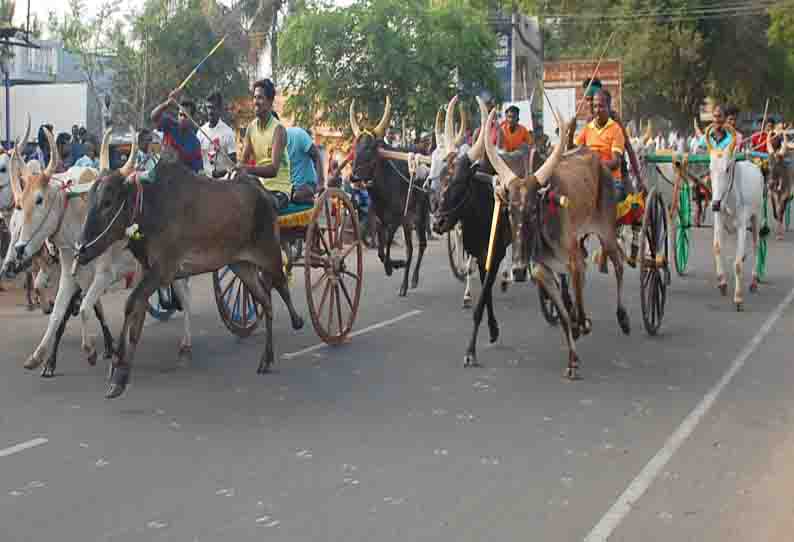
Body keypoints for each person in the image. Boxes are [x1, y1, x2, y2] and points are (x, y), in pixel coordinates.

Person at [238, 78, 292, 209]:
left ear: (270, 102)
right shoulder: (251, 127)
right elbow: (242, 162)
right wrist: (236, 169)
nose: (256, 102)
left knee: (261, 209)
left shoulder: (278, 130)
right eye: (255, 97)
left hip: (279, 190)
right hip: (259, 187)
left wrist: (247, 169)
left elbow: (273, 170)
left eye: (260, 98)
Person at [150, 88, 203, 173]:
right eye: (180, 114)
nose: (182, 118)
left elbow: (198, 170)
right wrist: (167, 103)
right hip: (162, 173)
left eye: (185, 116)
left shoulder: (195, 142)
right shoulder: (169, 124)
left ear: (192, 118)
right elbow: (153, 116)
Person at [198, 91, 237, 178]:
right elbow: (197, 159)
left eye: (213, 108)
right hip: (204, 183)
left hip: (222, 185)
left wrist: (220, 173)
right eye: (208, 107)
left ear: (220, 109)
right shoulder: (200, 132)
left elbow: (233, 164)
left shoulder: (228, 132)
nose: (210, 111)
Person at [286, 126, 325, 204]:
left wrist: (320, 183)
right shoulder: (270, 144)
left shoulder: (298, 134)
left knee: (297, 196)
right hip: (288, 187)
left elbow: (316, 156)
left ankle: (313, 201)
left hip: (307, 185)